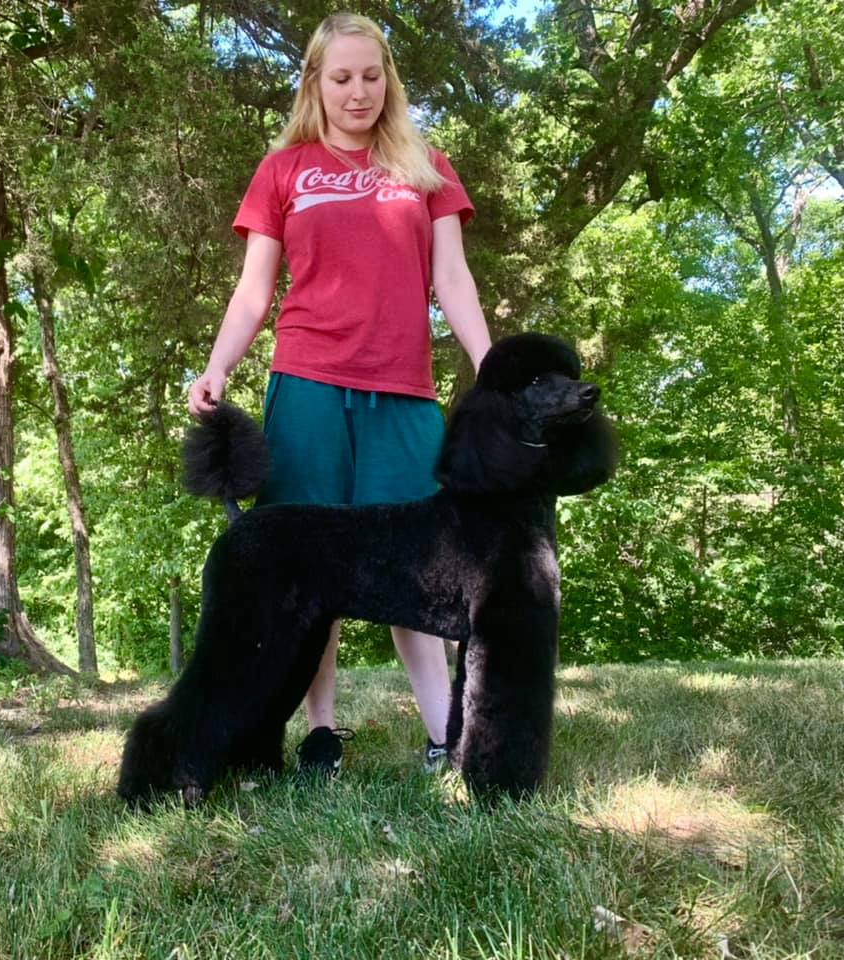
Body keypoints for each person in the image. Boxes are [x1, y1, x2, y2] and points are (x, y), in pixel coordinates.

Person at [187, 12, 491, 777]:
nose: (359, 91)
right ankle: (320, 730)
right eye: (342, 77)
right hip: (308, 386)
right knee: (304, 567)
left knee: (420, 567)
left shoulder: (427, 166)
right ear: (315, 84)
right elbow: (254, 291)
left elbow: (452, 278)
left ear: (389, 80)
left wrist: (491, 364)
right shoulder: (284, 170)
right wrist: (218, 366)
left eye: (371, 75)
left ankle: (446, 738)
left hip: (404, 392)